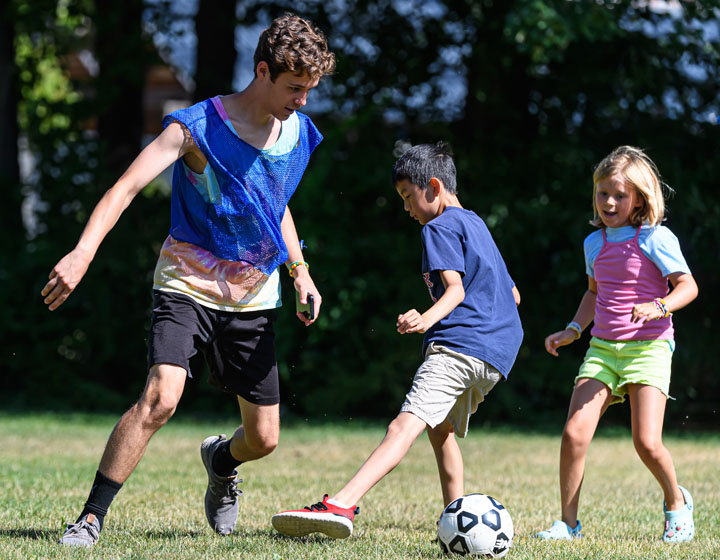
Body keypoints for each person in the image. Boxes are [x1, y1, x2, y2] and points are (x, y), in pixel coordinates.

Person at [41, 14, 336, 547]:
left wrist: (300, 270)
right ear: (263, 71)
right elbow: (125, 188)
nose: (303, 101)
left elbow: (276, 204)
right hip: (187, 281)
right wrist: (82, 252)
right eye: (295, 88)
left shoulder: (295, 132)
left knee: (264, 439)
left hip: (253, 294)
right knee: (162, 396)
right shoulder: (196, 127)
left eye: (309, 90)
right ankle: (90, 518)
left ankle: (221, 461)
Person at [271, 142, 523, 539]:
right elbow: (513, 295)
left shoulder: (437, 227)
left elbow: (454, 291)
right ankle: (454, 520)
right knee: (441, 432)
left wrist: (425, 317)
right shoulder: (475, 222)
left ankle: (341, 503)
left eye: (408, 197)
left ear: (434, 187)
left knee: (404, 425)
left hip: (460, 347)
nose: (406, 208)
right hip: (497, 356)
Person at [536, 146, 698, 543]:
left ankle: (676, 503)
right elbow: (594, 294)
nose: (608, 202)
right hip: (603, 349)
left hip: (649, 349)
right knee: (574, 433)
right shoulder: (595, 244)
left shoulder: (656, 238)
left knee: (646, 442)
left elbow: (688, 287)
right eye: (602, 193)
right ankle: (568, 524)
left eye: (619, 195)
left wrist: (659, 306)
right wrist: (574, 328)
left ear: (640, 198)